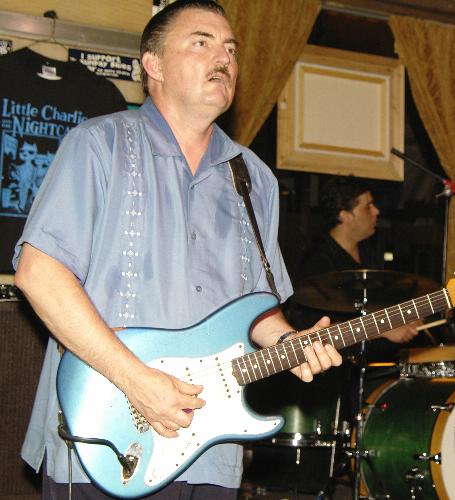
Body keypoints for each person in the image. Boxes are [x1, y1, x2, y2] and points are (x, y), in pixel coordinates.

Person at [12, 1, 341, 498]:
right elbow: (39, 275)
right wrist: (137, 381)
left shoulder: (255, 179)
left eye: (230, 49)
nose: (223, 58)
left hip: (212, 453)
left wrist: (292, 344)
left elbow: (256, 309)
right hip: (108, 440)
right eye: (201, 42)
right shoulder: (98, 144)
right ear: (154, 65)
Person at [295, 176, 419, 345]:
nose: (376, 211)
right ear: (345, 216)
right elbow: (315, 330)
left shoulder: (369, 252)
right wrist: (383, 330)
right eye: (368, 206)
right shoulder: (318, 262)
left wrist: (403, 317)